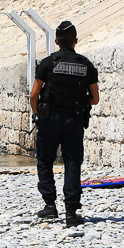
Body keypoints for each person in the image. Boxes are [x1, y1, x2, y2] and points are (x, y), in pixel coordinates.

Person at [30, 21, 99, 227]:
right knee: (72, 163)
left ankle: (50, 206)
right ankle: (71, 212)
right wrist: (77, 101)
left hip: (49, 119)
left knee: (45, 161)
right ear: (76, 41)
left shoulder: (47, 63)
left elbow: (34, 94)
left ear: (57, 41)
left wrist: (37, 114)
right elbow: (95, 99)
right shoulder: (86, 65)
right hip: (74, 120)